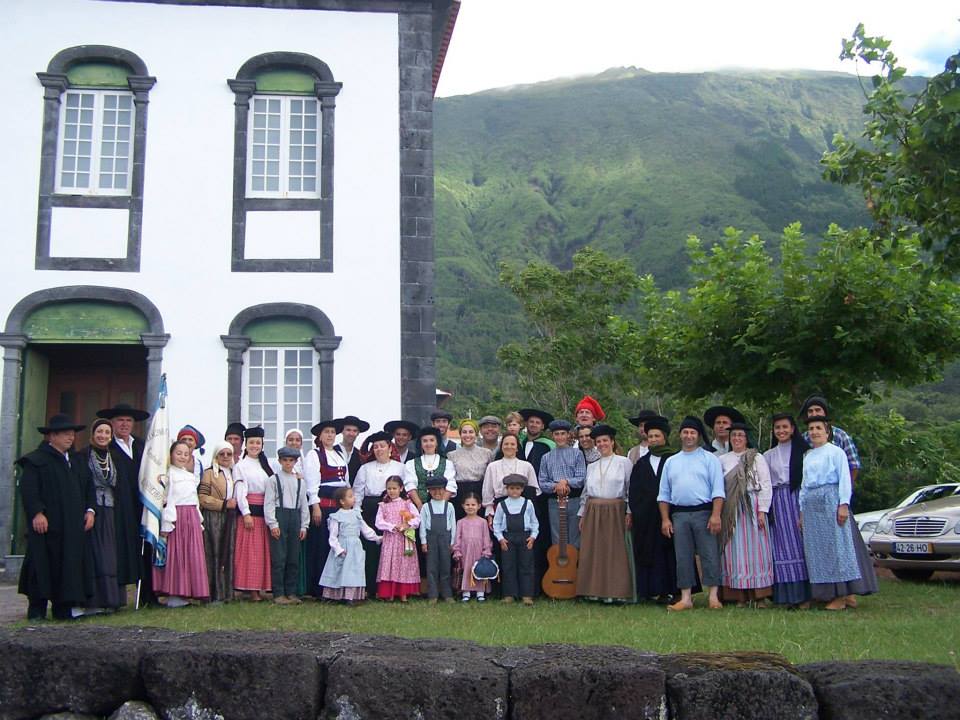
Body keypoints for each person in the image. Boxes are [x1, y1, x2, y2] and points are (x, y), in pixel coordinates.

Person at [17, 414, 94, 620]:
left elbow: (88, 488)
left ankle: (63, 608)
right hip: (47, 526)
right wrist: (37, 512)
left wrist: (90, 510)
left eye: (72, 434)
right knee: (42, 565)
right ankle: (37, 610)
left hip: (71, 527)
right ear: (52, 436)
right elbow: (29, 489)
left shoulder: (76, 461)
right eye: (66, 434)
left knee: (67, 565)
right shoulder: (37, 460)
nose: (70, 438)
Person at [800, 416, 876, 610]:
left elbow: (844, 479)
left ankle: (843, 595)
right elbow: (804, 484)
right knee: (819, 550)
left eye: (818, 428)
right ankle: (827, 593)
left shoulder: (836, 452)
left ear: (827, 432)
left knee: (837, 547)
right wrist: (801, 511)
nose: (814, 431)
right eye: (811, 428)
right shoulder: (808, 455)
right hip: (811, 503)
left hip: (831, 500)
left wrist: (843, 504)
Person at [657, 416, 726, 611]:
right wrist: (665, 519)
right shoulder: (671, 461)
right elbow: (664, 494)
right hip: (679, 515)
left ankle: (713, 596)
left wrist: (716, 515)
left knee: (709, 554)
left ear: (698, 436)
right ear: (680, 435)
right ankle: (686, 598)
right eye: (685, 432)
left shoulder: (709, 459)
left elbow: (718, 490)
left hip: (704, 512)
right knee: (683, 556)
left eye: (692, 433)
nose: (688, 436)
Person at [76, 418, 137, 612]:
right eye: (99, 432)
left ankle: (112, 601)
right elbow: (82, 485)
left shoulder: (115, 457)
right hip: (93, 511)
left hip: (112, 512)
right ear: (93, 434)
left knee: (111, 555)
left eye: (106, 433)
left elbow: (121, 486)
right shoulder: (83, 456)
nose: (103, 436)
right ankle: (93, 602)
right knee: (95, 555)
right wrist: (88, 508)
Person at [628, 416, 688, 604]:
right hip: (646, 516)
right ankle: (649, 590)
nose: (653, 439)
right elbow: (634, 490)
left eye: (657, 436)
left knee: (670, 552)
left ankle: (673, 590)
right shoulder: (641, 463)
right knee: (648, 551)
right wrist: (637, 511)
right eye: (651, 436)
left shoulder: (675, 458)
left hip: (670, 513)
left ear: (665, 437)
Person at [97, 402, 151, 603]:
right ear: (111, 423)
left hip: (141, 505)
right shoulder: (106, 448)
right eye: (120, 420)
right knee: (118, 548)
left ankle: (146, 593)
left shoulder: (142, 446)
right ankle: (117, 596)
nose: (124, 424)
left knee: (145, 547)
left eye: (129, 420)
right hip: (118, 507)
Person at [717, 423, 774, 606]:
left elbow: (765, 484)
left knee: (758, 552)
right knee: (733, 553)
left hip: (752, 506)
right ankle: (739, 596)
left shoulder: (756, 458)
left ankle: (759, 596)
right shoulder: (723, 460)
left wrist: (762, 511)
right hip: (732, 510)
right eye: (733, 435)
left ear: (746, 438)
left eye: (740, 435)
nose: (737, 439)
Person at [576, 424, 633, 603]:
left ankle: (615, 592)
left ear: (612, 442)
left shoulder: (624, 462)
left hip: (615, 509)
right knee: (594, 551)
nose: (601, 444)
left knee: (614, 551)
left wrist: (629, 511)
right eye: (598, 442)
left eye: (605, 441)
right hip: (593, 511)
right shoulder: (592, 466)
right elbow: (586, 492)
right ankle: (593, 591)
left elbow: (630, 489)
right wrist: (582, 514)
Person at [352, 431, 411, 594]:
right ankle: (370, 587)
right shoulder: (365, 469)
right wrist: (357, 512)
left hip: (393, 509)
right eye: (376, 447)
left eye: (382, 446)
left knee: (393, 549)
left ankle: (392, 588)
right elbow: (357, 493)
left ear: (390, 448)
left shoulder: (400, 468)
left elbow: (407, 490)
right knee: (371, 548)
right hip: (370, 510)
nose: (379, 449)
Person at [762, 414, 811, 607]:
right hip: (778, 501)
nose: (781, 431)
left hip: (797, 497)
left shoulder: (804, 452)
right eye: (777, 428)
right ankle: (786, 596)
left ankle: (805, 596)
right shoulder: (768, 455)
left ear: (792, 429)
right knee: (781, 546)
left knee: (800, 543)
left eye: (784, 427)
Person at [153, 440, 209, 608]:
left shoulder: (190, 475)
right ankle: (174, 594)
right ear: (171, 455)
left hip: (191, 517)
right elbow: (168, 500)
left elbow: (194, 499)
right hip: (177, 518)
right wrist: (167, 524)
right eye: (179, 453)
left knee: (191, 555)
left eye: (186, 454)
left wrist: (198, 521)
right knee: (178, 555)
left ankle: (188, 592)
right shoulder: (169, 475)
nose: (182, 457)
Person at [302, 419, 349, 598]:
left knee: (338, 546)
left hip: (339, 508)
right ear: (319, 436)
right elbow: (312, 484)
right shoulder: (314, 455)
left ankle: (336, 587)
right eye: (326, 432)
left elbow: (346, 482)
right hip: (323, 507)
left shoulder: (339, 454)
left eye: (332, 432)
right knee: (323, 546)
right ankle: (319, 588)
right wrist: (315, 507)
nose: (329, 435)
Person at [233, 426, 276, 601]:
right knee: (250, 553)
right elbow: (240, 491)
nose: (255, 446)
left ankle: (261, 587)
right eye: (251, 443)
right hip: (250, 512)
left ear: (262, 445)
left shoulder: (267, 465)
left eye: (258, 443)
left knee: (262, 553)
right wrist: (246, 513)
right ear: (246, 445)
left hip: (265, 512)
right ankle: (249, 589)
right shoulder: (241, 466)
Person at [319, 487, 381, 605]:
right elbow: (333, 536)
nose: (354, 498)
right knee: (339, 570)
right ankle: (333, 596)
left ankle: (351, 596)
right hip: (343, 546)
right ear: (342, 501)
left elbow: (365, 529)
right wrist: (338, 549)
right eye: (350, 496)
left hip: (355, 547)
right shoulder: (336, 517)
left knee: (353, 571)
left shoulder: (356, 514)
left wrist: (377, 538)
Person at [265, 447, 310, 605]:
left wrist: (304, 525)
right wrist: (272, 524)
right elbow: (269, 503)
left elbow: (304, 504)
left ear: (296, 462)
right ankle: (278, 593)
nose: (288, 463)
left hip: (295, 518)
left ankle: (291, 592)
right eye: (285, 460)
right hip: (280, 516)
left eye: (291, 460)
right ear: (280, 461)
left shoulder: (300, 481)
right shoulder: (273, 480)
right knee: (279, 557)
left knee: (293, 557)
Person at [198, 441, 238, 603]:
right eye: (222, 454)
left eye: (229, 454)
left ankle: (228, 592)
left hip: (230, 517)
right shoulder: (209, 473)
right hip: (213, 516)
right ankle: (213, 593)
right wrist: (222, 504)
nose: (226, 457)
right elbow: (202, 497)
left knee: (228, 553)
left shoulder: (235, 472)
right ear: (216, 456)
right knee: (214, 553)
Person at [538, 419, 587, 549]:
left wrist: (565, 481)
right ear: (552, 436)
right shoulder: (546, 457)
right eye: (557, 434)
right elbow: (542, 482)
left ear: (568, 435)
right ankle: (559, 568)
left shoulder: (577, 454)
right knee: (557, 537)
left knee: (575, 536)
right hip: (554, 501)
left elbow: (581, 478)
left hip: (574, 499)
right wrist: (557, 486)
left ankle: (574, 567)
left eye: (562, 433)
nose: (560, 437)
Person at [492, 474, 539, 605]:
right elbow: (496, 523)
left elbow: (534, 522)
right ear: (507, 489)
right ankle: (509, 594)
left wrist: (533, 537)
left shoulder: (527, 503)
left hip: (525, 538)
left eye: (517, 488)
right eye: (511, 488)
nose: (514, 491)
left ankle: (527, 595)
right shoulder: (502, 505)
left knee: (526, 566)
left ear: (522, 489)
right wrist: (500, 539)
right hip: (508, 539)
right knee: (508, 566)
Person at [375, 476, 421, 601]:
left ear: (401, 488)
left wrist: (407, 524)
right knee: (390, 564)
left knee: (404, 564)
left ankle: (403, 594)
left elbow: (417, 518)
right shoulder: (383, 505)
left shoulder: (407, 504)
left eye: (394, 488)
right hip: (390, 540)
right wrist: (391, 526)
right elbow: (378, 522)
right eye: (389, 488)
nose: (391, 491)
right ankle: (389, 593)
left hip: (404, 540)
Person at [481, 435, 539, 518]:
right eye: (506, 444)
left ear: (517, 447)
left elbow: (534, 490)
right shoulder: (492, 466)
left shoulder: (527, 466)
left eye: (512, 444)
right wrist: (489, 512)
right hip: (500, 507)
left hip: (523, 508)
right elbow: (487, 491)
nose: (509, 447)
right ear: (501, 447)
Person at [419, 476, 457, 603]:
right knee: (431, 567)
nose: (437, 493)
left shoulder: (449, 506)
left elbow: (453, 525)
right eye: (433, 490)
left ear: (445, 490)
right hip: (431, 539)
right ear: (429, 491)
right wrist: (423, 542)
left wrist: (452, 542)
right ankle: (433, 595)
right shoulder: (426, 507)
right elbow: (423, 525)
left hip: (445, 539)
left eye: (440, 489)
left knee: (446, 566)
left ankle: (447, 594)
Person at [448, 419, 493, 519]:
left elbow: (490, 477)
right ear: (460, 434)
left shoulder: (487, 453)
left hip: (480, 492)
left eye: (471, 432)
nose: (467, 435)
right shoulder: (452, 455)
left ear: (476, 434)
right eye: (464, 432)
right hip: (460, 493)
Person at [452, 493, 493, 602]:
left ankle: (480, 592)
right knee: (467, 569)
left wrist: (486, 550)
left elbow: (486, 537)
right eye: (467, 504)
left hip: (479, 550)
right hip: (466, 550)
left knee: (480, 570)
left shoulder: (483, 522)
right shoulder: (460, 522)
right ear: (463, 506)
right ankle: (466, 592)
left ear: (479, 506)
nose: (470, 507)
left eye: (473, 505)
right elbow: (458, 537)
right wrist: (457, 550)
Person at [404, 427, 457, 510]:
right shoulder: (411, 464)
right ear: (420, 444)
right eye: (425, 441)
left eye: (432, 440)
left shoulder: (447, 463)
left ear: (437, 443)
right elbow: (410, 485)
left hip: (442, 506)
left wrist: (440, 505)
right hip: (418, 507)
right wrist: (419, 505)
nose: (428, 444)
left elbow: (451, 485)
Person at [335, 415, 370, 482]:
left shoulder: (360, 455)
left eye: (354, 431)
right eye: (348, 430)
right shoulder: (332, 451)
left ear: (358, 433)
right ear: (342, 431)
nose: (351, 434)